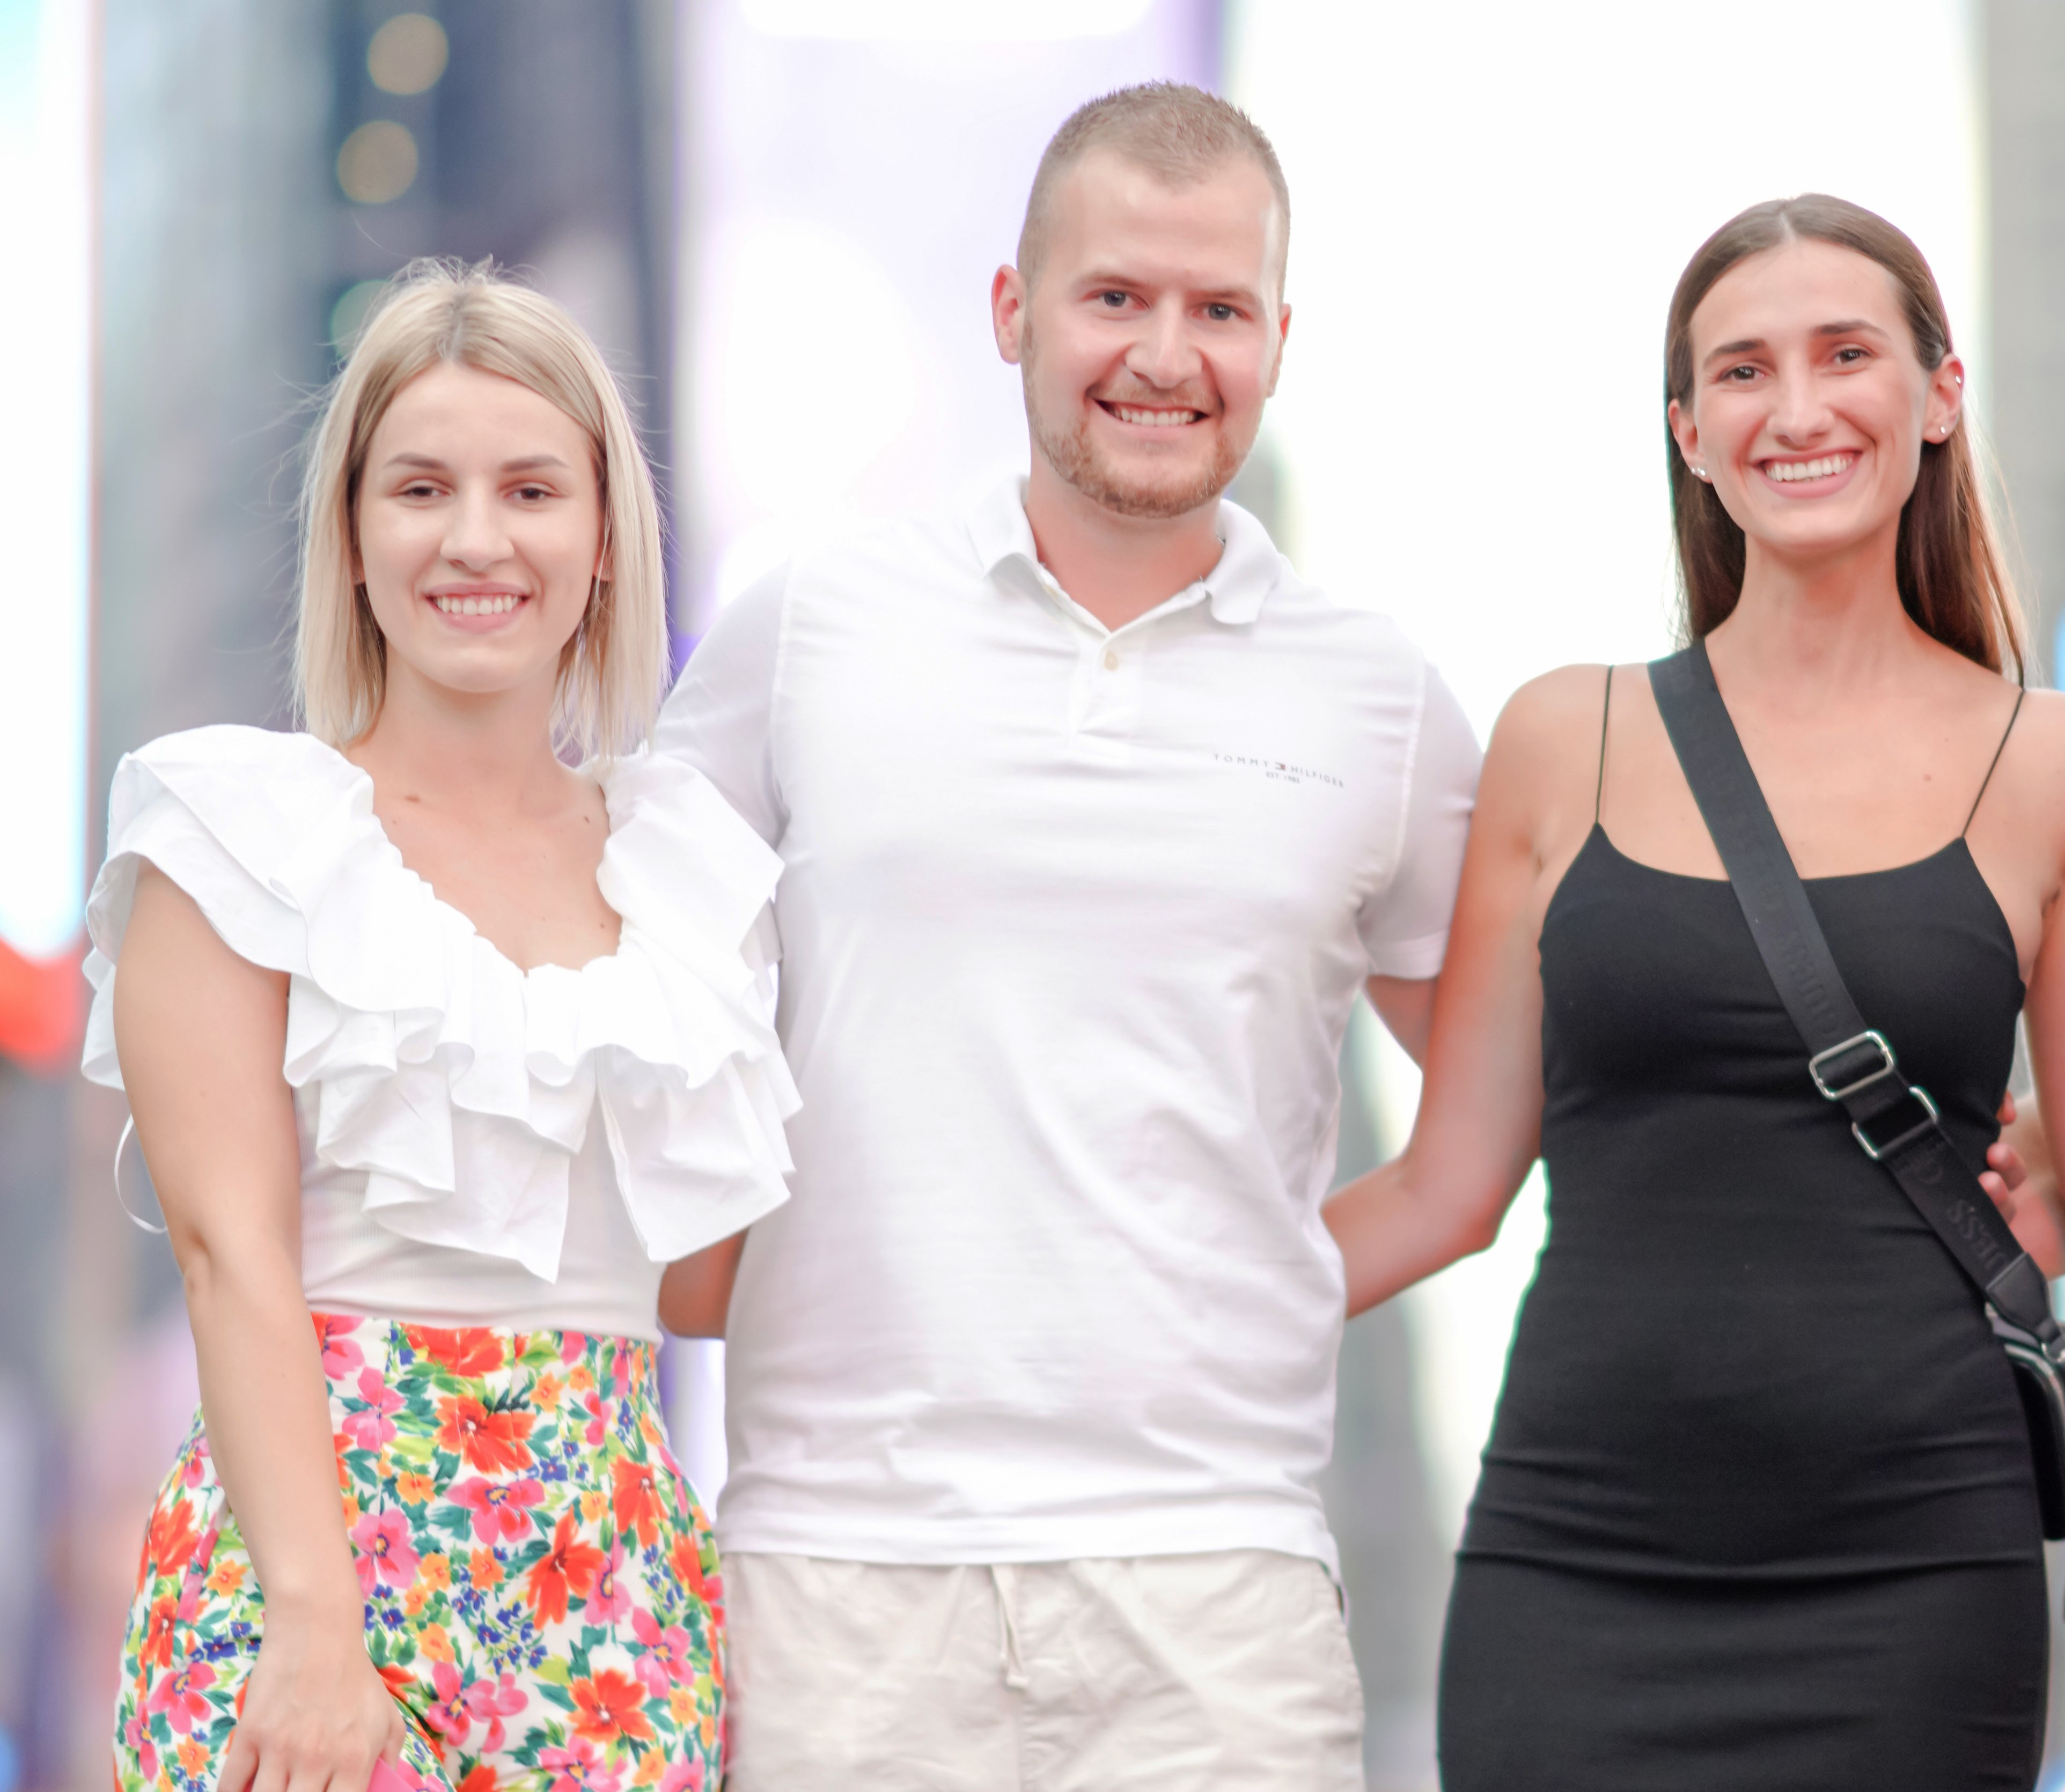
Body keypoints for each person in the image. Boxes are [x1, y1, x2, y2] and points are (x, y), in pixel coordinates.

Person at [655, 83, 1479, 1786]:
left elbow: (1490, 1126)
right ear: (1014, 312)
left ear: (1275, 336)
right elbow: (627, 1017)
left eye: (1217, 309)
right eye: (1114, 299)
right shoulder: (809, 628)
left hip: (1217, 1581)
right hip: (836, 1579)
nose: (1164, 355)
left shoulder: (1376, 694)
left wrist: (1273, 1283)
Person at [1319, 193, 2065, 1789]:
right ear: (1688, 434)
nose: (1795, 409)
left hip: (1917, 1578)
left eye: (1844, 354)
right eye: (1741, 372)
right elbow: (1446, 1187)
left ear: (1936, 396)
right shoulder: (1559, 739)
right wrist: (1138, 1314)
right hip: (1572, 1563)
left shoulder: (2054, 767)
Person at [92, 262, 796, 1791]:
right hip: (309, 1589)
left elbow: (699, 1278)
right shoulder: (238, 834)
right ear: (351, 536)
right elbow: (231, 1257)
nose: (477, 538)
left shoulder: (693, 875)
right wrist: (313, 1624)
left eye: (531, 489)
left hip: (614, 1598)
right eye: (421, 488)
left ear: (605, 537)